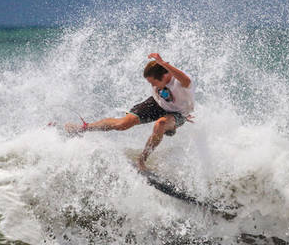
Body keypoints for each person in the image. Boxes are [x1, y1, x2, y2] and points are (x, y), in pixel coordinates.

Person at [65, 52, 194, 169]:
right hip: (157, 103)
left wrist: (163, 63)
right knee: (123, 124)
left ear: (165, 76)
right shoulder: (158, 83)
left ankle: (141, 160)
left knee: (160, 124)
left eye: (153, 82)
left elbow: (186, 80)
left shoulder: (181, 82)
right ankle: (82, 128)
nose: (152, 86)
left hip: (177, 114)